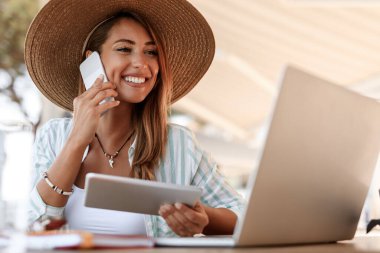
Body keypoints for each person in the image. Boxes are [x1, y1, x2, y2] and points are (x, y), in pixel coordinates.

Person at [25, 0, 244, 237]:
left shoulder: (178, 143)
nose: (141, 63)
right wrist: (76, 141)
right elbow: (35, 225)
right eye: (124, 49)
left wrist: (203, 218)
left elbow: (241, 214)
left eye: (151, 52)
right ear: (91, 60)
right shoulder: (53, 136)